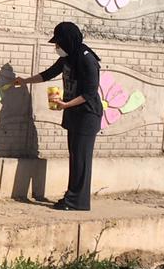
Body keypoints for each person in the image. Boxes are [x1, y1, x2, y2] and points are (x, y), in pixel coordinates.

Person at [13, 20, 103, 211]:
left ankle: (77, 201)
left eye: (58, 43)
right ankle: (72, 197)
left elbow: (90, 93)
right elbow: (48, 74)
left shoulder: (87, 59)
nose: (57, 47)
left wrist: (66, 104)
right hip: (74, 114)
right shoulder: (68, 57)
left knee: (81, 159)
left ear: (68, 41)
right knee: (75, 156)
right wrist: (25, 81)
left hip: (87, 116)